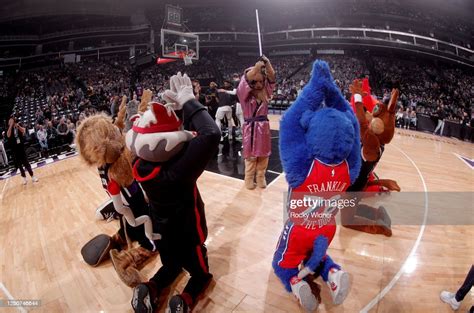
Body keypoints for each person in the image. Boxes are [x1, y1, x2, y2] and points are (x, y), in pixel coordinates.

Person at [127, 73, 220, 313]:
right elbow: (210, 134)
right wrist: (189, 100)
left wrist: (179, 113)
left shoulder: (140, 163)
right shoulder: (179, 170)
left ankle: (150, 287)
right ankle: (184, 301)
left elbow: (166, 144)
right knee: (200, 273)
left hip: (162, 231)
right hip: (188, 232)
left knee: (170, 266)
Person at [237, 55, 275, 189]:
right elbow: (244, 82)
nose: (258, 85)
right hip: (250, 127)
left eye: (260, 82)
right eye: (254, 82)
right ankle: (248, 178)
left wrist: (267, 64)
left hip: (263, 127)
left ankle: (260, 176)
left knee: (264, 154)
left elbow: (272, 78)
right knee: (251, 155)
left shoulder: (266, 93)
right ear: (249, 83)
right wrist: (257, 67)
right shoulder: (244, 96)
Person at [6, 116, 38, 184]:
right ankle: (24, 178)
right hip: (15, 150)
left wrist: (18, 126)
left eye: (11, 121)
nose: (10, 122)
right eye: (9, 121)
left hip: (21, 149)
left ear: (14, 120)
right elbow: (8, 135)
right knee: (20, 166)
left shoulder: (18, 125)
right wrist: (11, 126)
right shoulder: (9, 128)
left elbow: (23, 131)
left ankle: (32, 176)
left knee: (26, 164)